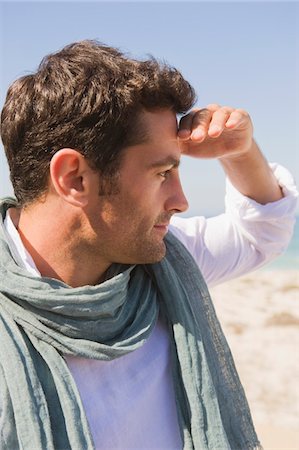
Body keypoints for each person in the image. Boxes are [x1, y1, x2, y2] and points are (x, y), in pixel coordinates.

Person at [0, 40, 297, 450]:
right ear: (75, 178)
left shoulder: (164, 265)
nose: (181, 201)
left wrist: (240, 153)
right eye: (163, 173)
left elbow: (262, 232)